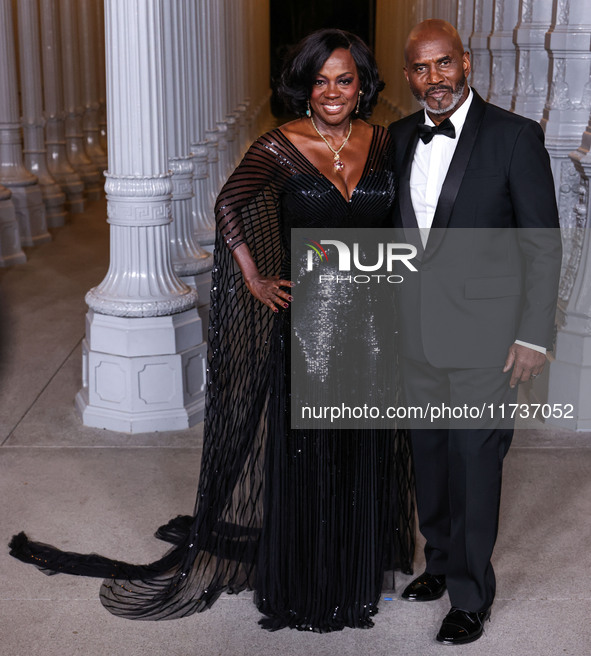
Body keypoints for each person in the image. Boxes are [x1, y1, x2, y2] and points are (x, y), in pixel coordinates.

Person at [10, 29, 415, 633]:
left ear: (362, 85)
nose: (332, 92)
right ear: (304, 86)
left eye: (345, 79)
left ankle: (357, 566)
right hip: (308, 325)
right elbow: (230, 203)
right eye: (321, 80)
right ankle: (310, 578)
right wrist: (253, 277)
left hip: (373, 320)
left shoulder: (384, 143)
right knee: (311, 453)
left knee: (363, 447)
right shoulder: (282, 145)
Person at [388, 20, 562, 645]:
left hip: (488, 341)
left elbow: (541, 246)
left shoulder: (516, 137)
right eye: (418, 68)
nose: (432, 78)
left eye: (442, 64)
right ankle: (439, 563)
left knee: (475, 465)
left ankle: (470, 594)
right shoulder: (400, 137)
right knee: (430, 463)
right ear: (408, 75)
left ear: (464, 62)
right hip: (416, 338)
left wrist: (533, 336)